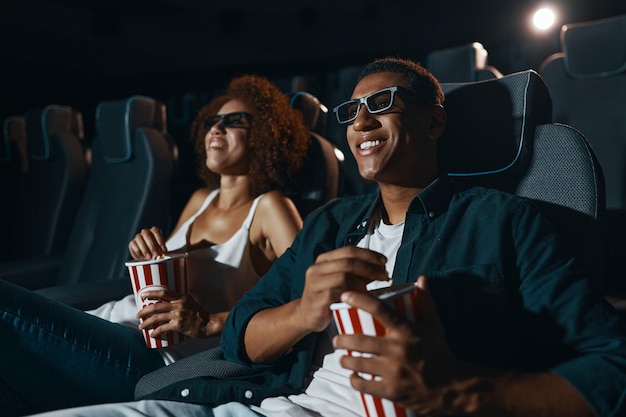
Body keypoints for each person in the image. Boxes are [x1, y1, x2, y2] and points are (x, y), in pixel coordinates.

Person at [28, 58, 626, 417]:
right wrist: (306, 311)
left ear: (434, 121)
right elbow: (240, 338)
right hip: (268, 404)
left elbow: (611, 366)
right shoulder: (331, 224)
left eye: (383, 104)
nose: (360, 122)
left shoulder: (502, 221)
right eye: (352, 111)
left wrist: (461, 393)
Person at [0, 74, 310, 416]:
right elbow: (164, 274)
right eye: (212, 122)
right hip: (109, 321)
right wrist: (147, 252)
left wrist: (209, 320)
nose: (216, 130)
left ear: (265, 136)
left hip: (149, 358)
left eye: (234, 121)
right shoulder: (200, 200)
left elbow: (307, 302)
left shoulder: (270, 208)